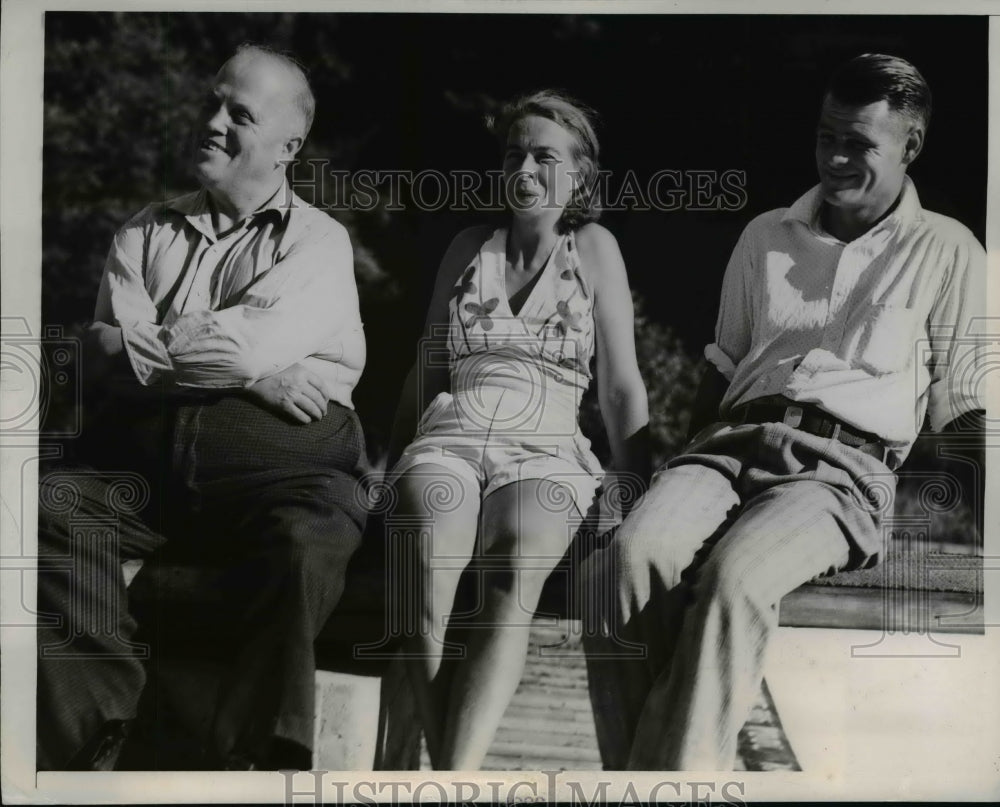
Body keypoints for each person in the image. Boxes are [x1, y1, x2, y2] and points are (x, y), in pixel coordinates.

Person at [582, 53, 986, 770]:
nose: (834, 156)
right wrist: (671, 479)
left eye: (858, 142)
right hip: (728, 446)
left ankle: (668, 781)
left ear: (910, 146)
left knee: (734, 582)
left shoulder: (949, 249)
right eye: (826, 135)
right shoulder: (766, 234)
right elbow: (725, 369)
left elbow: (966, 406)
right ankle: (645, 778)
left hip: (841, 472)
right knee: (621, 563)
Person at [36, 44, 367, 771]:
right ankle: (94, 740)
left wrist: (170, 349)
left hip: (283, 474)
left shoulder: (318, 242)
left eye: (238, 114)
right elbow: (103, 359)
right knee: (47, 506)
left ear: (288, 147)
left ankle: (257, 758)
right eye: (212, 102)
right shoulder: (143, 231)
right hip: (144, 474)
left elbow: (219, 349)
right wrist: (251, 372)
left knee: (304, 544)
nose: (211, 122)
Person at [385, 90, 650, 770]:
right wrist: (386, 462)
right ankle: (455, 775)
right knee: (423, 559)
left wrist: (636, 480)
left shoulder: (593, 249)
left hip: (549, 441)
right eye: (513, 155)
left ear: (580, 177)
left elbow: (620, 384)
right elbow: (428, 367)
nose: (525, 169)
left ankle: (446, 773)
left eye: (544, 156)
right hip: (453, 429)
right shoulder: (469, 247)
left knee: (514, 562)